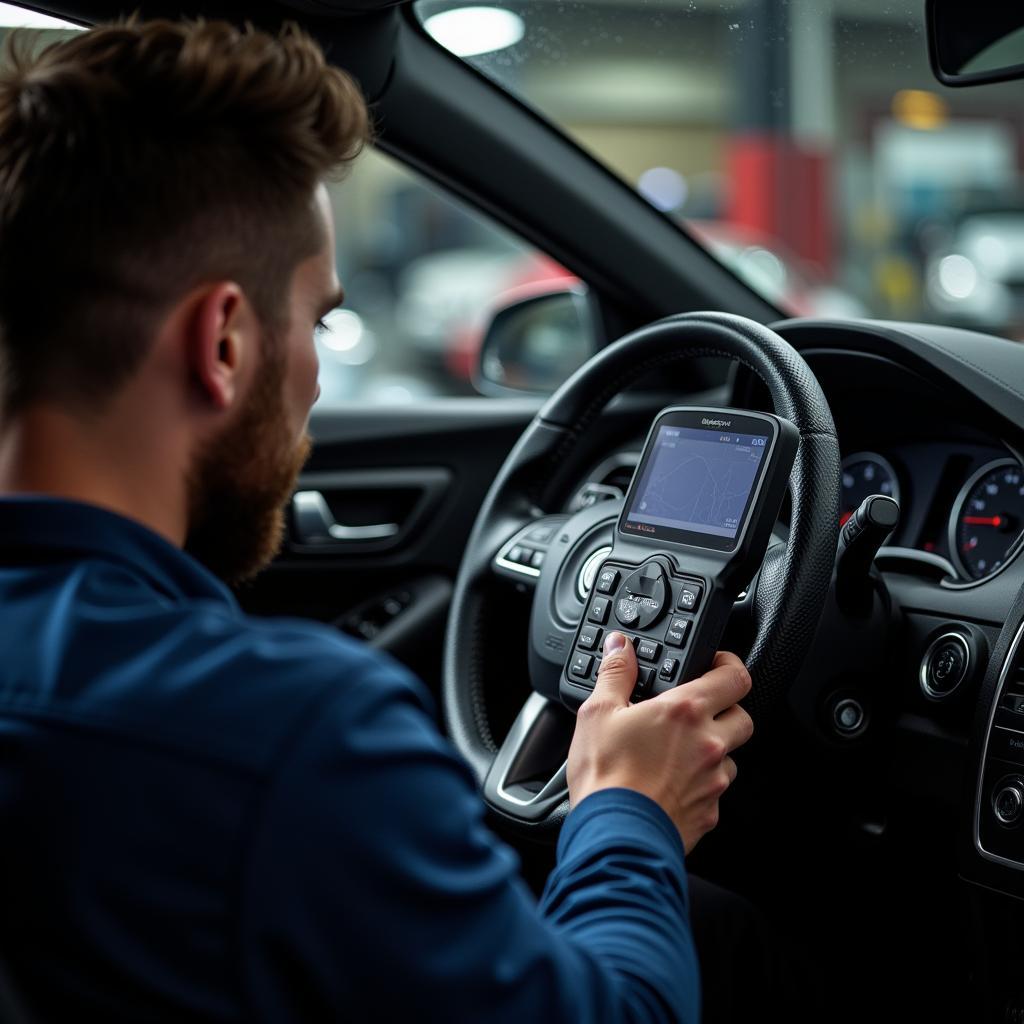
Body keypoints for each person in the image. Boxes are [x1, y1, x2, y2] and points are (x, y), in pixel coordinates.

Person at [0, 18, 755, 1022]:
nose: (315, 368)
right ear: (222, 342)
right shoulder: (292, 738)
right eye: (316, 319)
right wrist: (627, 811)